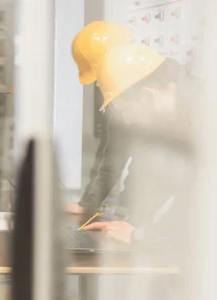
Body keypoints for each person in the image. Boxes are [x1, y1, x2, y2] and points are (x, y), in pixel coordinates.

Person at [81, 43, 194, 247]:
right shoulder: (169, 120)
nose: (129, 125)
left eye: (129, 116)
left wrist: (139, 235)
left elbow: (198, 207)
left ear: (147, 97)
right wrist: (129, 223)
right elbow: (158, 181)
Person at [66, 21, 135, 215]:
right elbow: (112, 154)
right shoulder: (118, 95)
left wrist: (133, 220)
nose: (101, 85)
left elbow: (151, 165)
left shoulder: (146, 95)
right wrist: (87, 204)